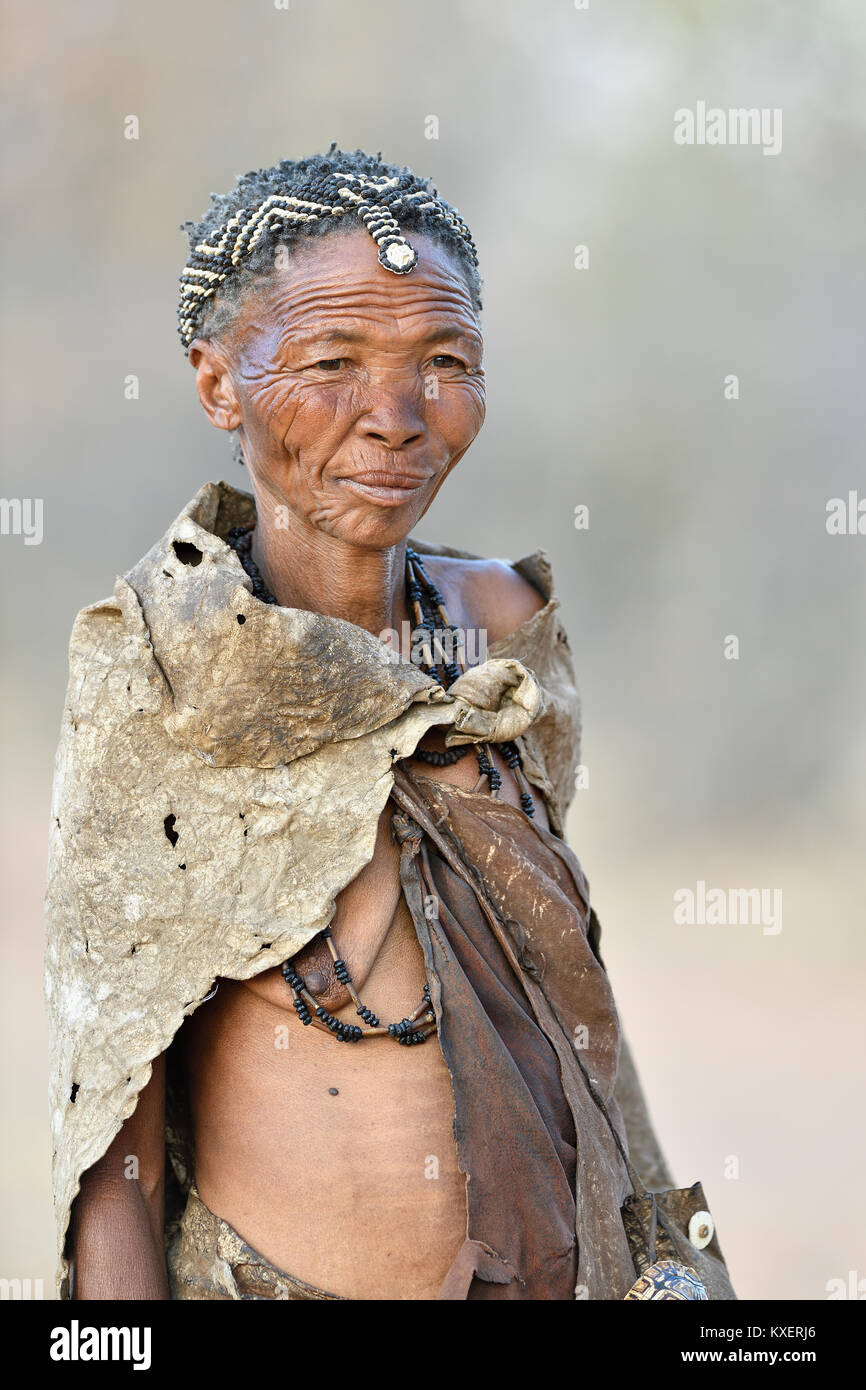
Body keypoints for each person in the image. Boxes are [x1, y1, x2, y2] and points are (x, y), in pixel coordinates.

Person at [45, 146, 734, 1301]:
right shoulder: (163, 670)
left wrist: (679, 1276)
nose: (398, 416)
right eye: (333, 360)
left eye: (444, 361)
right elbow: (112, 1116)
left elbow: (559, 1002)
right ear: (218, 385)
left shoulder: (504, 636)